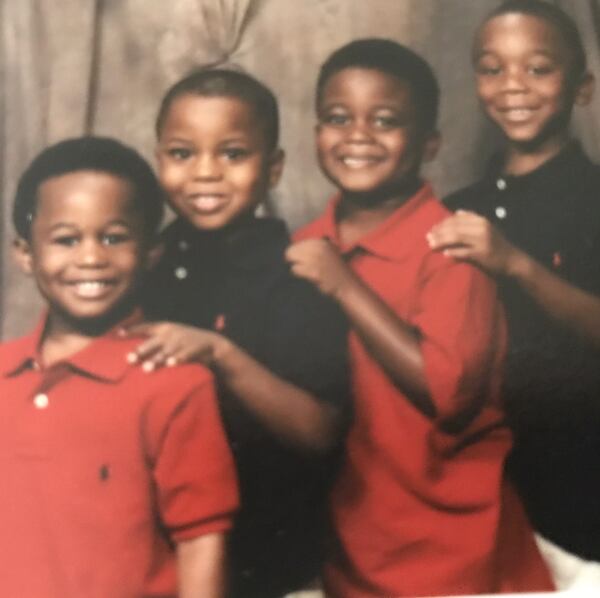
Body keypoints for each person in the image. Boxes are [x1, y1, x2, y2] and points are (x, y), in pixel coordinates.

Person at [288, 38, 553, 597]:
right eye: (338, 118)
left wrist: (344, 286)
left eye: (384, 121)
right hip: (354, 547)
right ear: (316, 135)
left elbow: (447, 392)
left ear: (429, 144)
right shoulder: (306, 248)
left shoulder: (451, 248)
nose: (358, 136)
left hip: (455, 551)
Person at [123, 68, 350, 598]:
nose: (205, 173)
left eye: (232, 154)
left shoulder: (295, 276)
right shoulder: (141, 265)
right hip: (157, 560)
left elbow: (320, 434)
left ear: (272, 169)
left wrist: (221, 353)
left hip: (272, 564)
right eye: (182, 154)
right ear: (158, 161)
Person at [0, 136, 238, 598]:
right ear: (25, 254)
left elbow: (202, 543)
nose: (91, 258)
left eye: (113, 237)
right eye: (66, 239)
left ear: (151, 252)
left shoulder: (175, 382)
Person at [427, 0, 600, 587]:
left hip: (582, 496)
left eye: (538, 68)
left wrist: (514, 264)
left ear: (583, 87)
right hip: (483, 499)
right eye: (492, 68)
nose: (513, 87)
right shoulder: (452, 210)